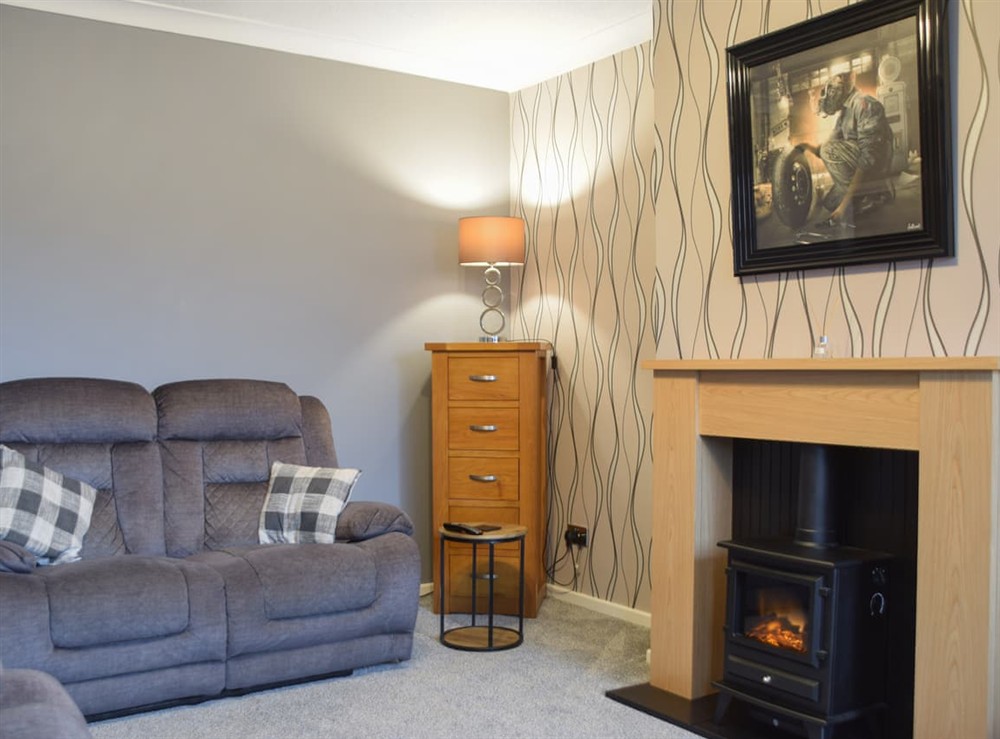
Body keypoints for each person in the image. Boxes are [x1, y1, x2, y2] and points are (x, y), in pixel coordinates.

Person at [798, 72, 894, 225]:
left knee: (829, 151)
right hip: (862, 162)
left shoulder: (865, 103)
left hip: (875, 167)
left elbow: (869, 159)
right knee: (829, 203)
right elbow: (825, 148)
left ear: (844, 86)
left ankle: (872, 193)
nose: (829, 94)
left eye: (832, 89)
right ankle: (865, 197)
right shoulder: (844, 114)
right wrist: (808, 147)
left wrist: (844, 207)